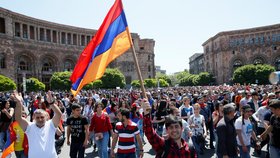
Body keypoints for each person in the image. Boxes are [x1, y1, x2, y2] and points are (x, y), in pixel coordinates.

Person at [12, 90, 62, 158]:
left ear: (46, 116)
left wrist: (51, 103)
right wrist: (18, 103)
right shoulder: (29, 127)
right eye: (37, 117)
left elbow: (59, 114)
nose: (40, 119)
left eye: (42, 117)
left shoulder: (51, 125)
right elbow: (18, 118)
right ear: (33, 117)